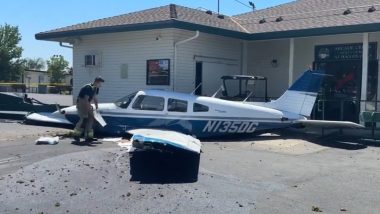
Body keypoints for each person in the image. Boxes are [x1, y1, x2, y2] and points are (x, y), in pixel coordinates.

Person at [73, 76, 105, 141]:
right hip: (82, 102)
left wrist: (97, 107)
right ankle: (76, 135)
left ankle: (88, 136)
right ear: (97, 82)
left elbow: (95, 98)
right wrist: (89, 109)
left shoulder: (96, 88)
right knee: (83, 118)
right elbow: (85, 99)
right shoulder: (88, 87)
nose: (101, 85)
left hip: (87, 102)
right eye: (100, 83)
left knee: (91, 118)